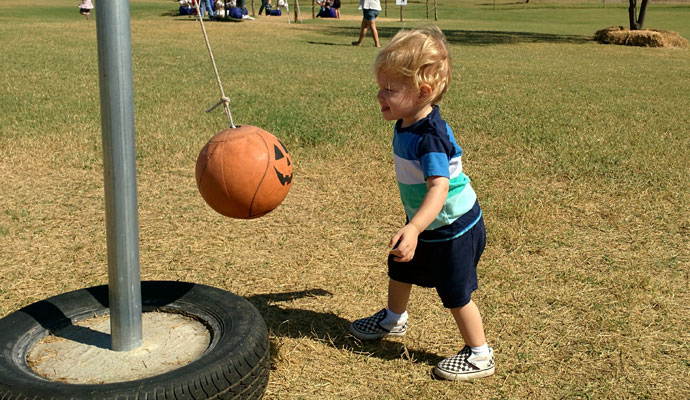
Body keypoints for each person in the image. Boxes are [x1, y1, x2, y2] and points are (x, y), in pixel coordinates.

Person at [349, 26, 495, 381]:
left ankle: (479, 354)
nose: (379, 95)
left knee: (455, 292)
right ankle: (393, 319)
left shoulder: (430, 137)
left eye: (390, 89)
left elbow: (439, 188)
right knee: (400, 267)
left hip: (453, 228)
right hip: (428, 223)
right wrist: (414, 227)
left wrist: (414, 227)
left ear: (423, 92)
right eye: (380, 86)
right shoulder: (407, 120)